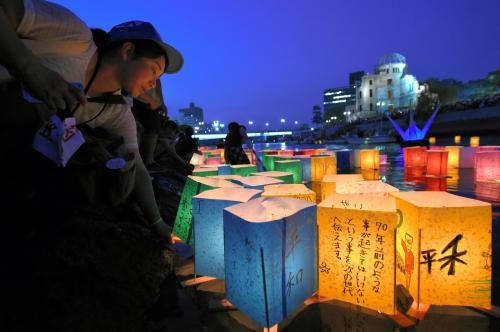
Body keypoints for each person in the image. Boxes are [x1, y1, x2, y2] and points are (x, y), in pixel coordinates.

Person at [0, 0, 183, 241]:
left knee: (114, 173)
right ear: (127, 51)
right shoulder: (74, 37)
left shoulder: (116, 110)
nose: (153, 83)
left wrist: (158, 223)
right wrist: (31, 70)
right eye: (153, 70)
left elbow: (137, 168)